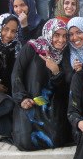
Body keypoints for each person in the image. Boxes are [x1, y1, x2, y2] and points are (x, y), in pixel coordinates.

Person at [11, 19, 74, 151]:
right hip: (29, 102)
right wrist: (22, 98)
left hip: (51, 105)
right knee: (26, 141)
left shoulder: (65, 53)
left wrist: (56, 72)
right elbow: (17, 74)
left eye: (64, 36)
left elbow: (65, 88)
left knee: (56, 138)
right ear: (49, 33)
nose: (61, 40)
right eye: (57, 35)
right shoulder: (32, 47)